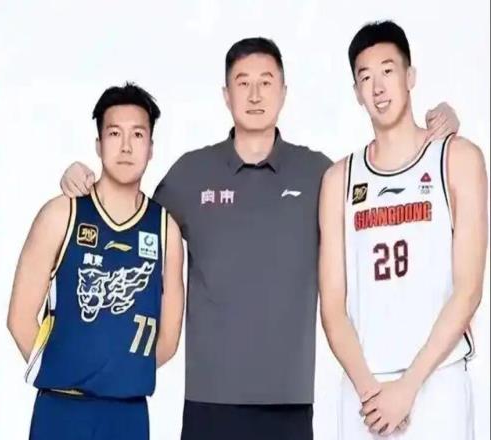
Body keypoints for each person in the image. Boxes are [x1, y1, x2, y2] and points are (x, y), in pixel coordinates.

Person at [60, 38, 460, 440]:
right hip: (209, 401)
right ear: (226, 94)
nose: (254, 95)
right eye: (243, 83)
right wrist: (86, 182)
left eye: (266, 82)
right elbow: (129, 223)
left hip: (288, 402)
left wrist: (441, 127)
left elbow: (386, 195)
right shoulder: (191, 174)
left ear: (283, 92)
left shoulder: (318, 174)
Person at [319, 21, 488, 439]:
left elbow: (469, 289)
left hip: (437, 379)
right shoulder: (339, 179)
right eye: (365, 77)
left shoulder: (458, 158)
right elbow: (333, 305)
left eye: (388, 71)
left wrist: (408, 387)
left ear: (410, 76)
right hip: (366, 389)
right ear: (356, 92)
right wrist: (370, 392)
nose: (378, 87)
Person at [7, 83, 184, 440]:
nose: (126, 146)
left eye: (138, 135)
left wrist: (120, 373)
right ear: (98, 144)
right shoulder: (62, 213)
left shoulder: (165, 230)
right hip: (60, 409)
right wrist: (61, 371)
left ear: (151, 148)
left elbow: (168, 338)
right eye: (114, 133)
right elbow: (19, 317)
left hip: (128, 413)